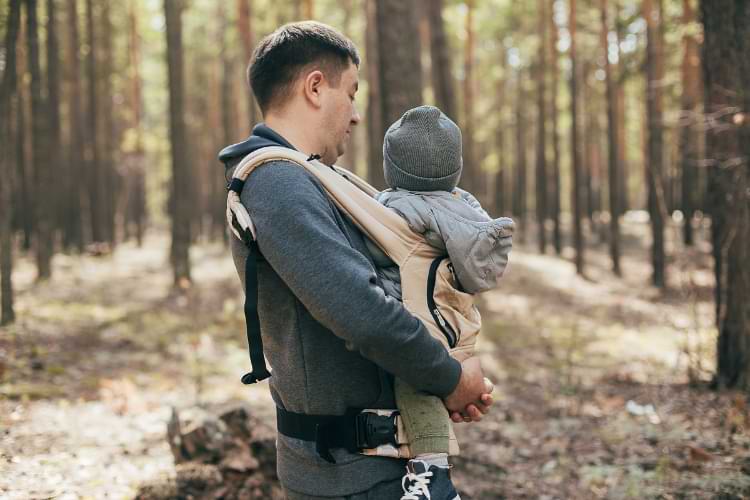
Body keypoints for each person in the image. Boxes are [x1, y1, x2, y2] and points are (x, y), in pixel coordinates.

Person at [218, 21, 492, 499]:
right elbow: (360, 312)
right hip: (347, 475)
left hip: (373, 470)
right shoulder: (277, 182)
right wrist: (450, 378)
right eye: (352, 92)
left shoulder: (313, 178)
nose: (356, 114)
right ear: (316, 87)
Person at [364, 105, 514, 499]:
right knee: (453, 378)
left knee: (415, 383)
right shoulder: (463, 208)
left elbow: (369, 254)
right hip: (453, 313)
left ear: (392, 165)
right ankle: (467, 400)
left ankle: (432, 475)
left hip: (421, 315)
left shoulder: (397, 208)